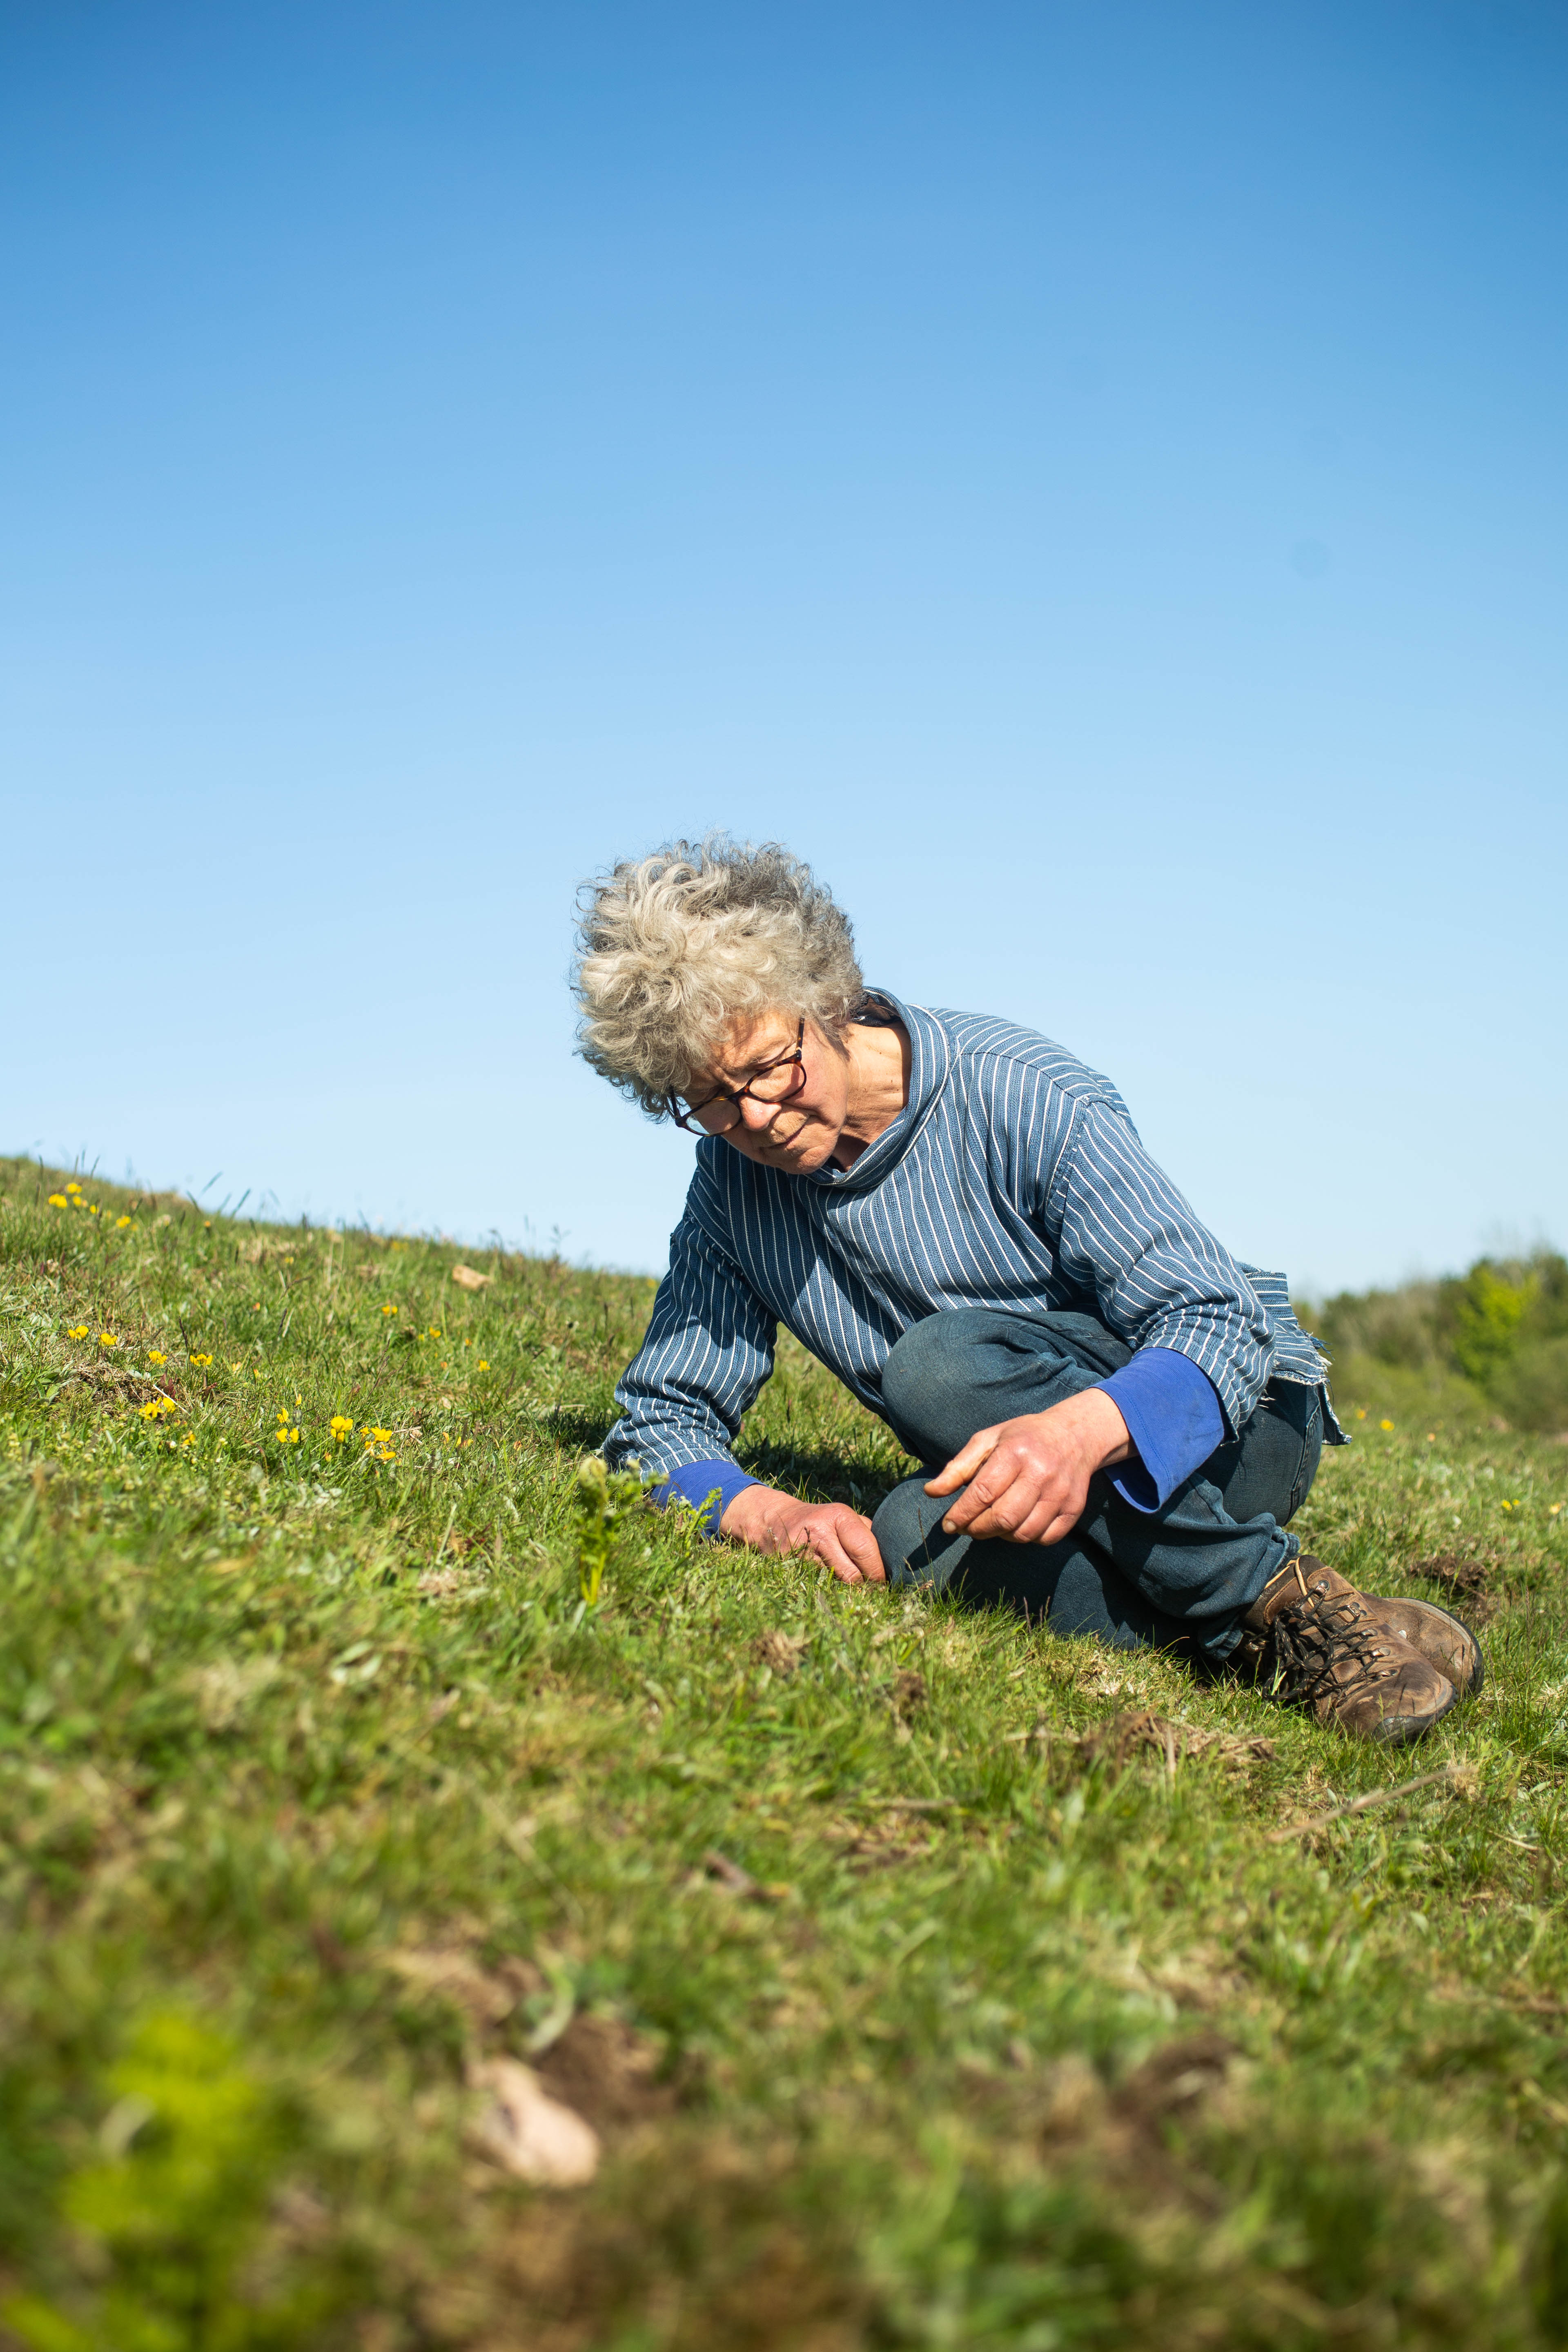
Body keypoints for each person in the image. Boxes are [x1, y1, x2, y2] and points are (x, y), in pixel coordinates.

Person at [575, 837, 1481, 1746]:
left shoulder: (1024, 1091)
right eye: (713, 1100)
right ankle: (1311, 1629)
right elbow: (658, 1421)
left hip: (1224, 1427)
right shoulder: (731, 1187)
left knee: (937, 1368)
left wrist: (1078, 1432)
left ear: (827, 1002)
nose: (758, 1118)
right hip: (1023, 1467)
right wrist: (767, 1515)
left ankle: (1278, 1605)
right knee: (903, 1535)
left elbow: (1216, 1321)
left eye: (773, 1068)